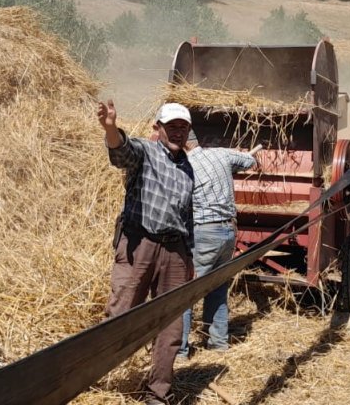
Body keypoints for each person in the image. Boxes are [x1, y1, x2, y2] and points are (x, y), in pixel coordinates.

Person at [98, 99, 195, 405]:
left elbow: (187, 215)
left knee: (171, 326)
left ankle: (158, 392)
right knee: (120, 314)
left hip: (175, 251)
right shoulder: (146, 151)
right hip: (140, 244)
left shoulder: (187, 168)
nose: (178, 132)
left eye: (183, 127)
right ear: (158, 129)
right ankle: (89, 377)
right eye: (172, 127)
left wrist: (188, 255)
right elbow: (122, 152)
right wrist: (111, 127)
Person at [178, 135, 260, 358]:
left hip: (204, 231)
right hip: (228, 232)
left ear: (183, 143)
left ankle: (180, 351)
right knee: (217, 286)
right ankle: (218, 343)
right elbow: (249, 161)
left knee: (186, 292)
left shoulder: (185, 165)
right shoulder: (220, 154)